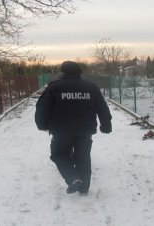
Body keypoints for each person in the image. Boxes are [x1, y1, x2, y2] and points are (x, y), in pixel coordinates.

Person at [35, 61, 112, 194]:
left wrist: (42, 124)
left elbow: (43, 107)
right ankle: (84, 187)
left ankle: (73, 178)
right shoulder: (90, 87)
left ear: (63, 71)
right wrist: (106, 124)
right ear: (79, 72)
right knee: (83, 157)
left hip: (61, 130)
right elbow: (102, 106)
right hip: (85, 130)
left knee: (59, 154)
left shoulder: (54, 87)